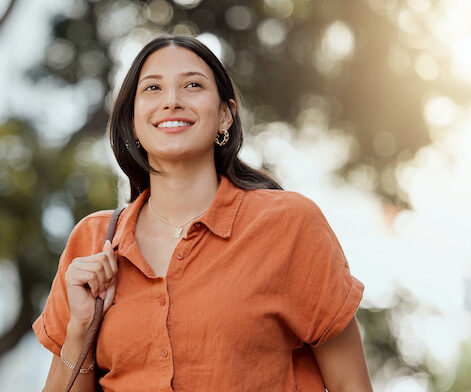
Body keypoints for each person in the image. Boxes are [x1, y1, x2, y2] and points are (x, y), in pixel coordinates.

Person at [34, 35, 372, 391]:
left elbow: (351, 385)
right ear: (133, 123)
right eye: (152, 88)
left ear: (225, 115)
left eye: (192, 85)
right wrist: (80, 332)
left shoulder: (289, 223)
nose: (172, 101)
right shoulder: (91, 241)